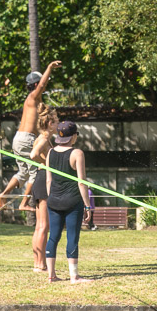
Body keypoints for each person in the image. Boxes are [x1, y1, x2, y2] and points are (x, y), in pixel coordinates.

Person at [0, 60, 61, 208]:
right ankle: (24, 203)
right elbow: (42, 85)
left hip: (19, 138)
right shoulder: (33, 96)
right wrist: (49, 67)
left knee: (23, 173)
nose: (44, 87)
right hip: (26, 139)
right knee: (35, 172)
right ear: (35, 85)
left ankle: (3, 194)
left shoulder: (32, 100)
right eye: (41, 84)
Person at [45, 120, 93, 284]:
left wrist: (51, 198)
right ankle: (74, 276)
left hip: (53, 201)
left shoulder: (50, 153)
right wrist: (87, 205)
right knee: (72, 236)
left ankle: (51, 275)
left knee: (53, 237)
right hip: (73, 201)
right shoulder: (77, 153)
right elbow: (81, 182)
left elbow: (48, 180)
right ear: (74, 136)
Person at [29, 106, 58, 272]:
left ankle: (39, 263)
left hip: (41, 179)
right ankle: (40, 264)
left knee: (41, 226)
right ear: (49, 123)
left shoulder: (46, 138)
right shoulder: (45, 137)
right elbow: (33, 154)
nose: (59, 123)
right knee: (43, 226)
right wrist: (46, 163)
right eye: (56, 120)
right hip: (43, 179)